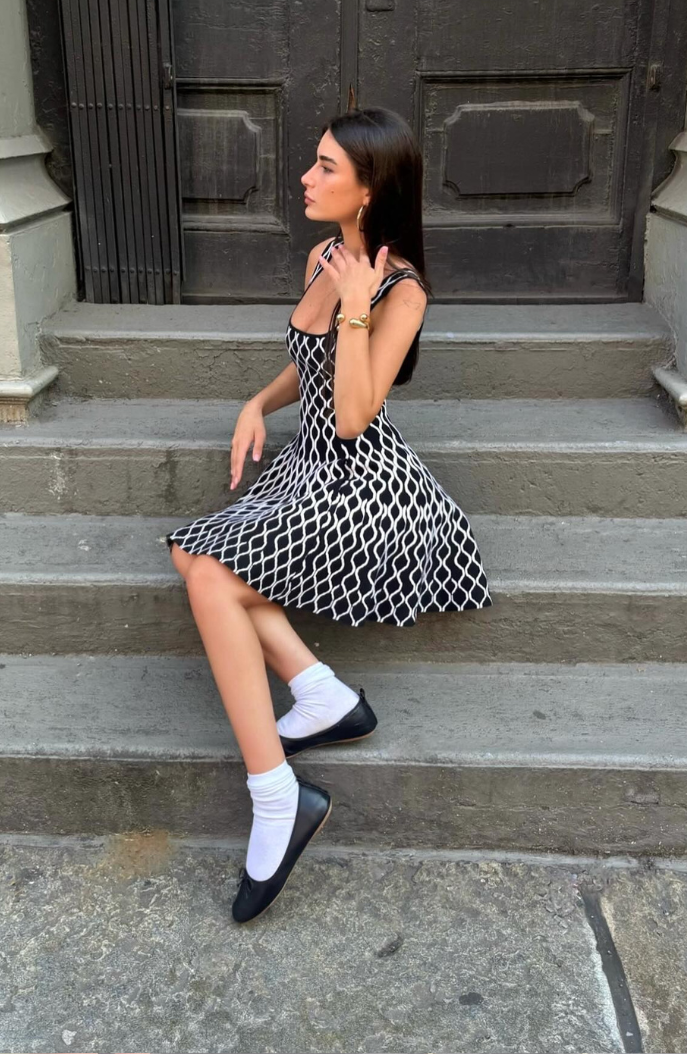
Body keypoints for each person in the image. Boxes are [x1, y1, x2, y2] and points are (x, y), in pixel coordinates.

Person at [166, 106, 493, 923]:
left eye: (324, 168)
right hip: (308, 470)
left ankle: (277, 795)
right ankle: (322, 694)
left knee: (210, 575)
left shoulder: (403, 290)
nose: (305, 178)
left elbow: (352, 415)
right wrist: (257, 402)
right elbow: (307, 365)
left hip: (369, 490)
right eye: (312, 163)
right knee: (191, 555)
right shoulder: (324, 255)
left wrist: (357, 305)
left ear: (369, 187)